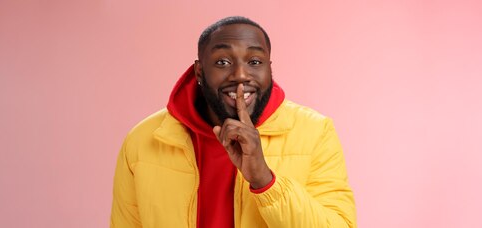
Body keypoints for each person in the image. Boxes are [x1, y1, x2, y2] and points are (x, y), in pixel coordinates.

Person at [110, 16, 357, 228]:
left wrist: (265, 180)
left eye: (255, 62)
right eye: (222, 62)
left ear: (269, 69)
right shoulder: (143, 139)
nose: (240, 75)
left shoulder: (314, 131)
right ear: (199, 71)